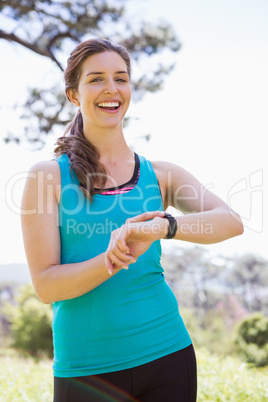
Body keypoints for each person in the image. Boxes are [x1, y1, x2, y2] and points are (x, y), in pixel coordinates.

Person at [21, 38, 244, 402]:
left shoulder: (161, 174)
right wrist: (115, 256)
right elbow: (47, 286)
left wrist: (164, 227)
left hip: (168, 354)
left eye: (121, 78)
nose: (111, 89)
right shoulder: (47, 177)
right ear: (74, 95)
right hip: (86, 371)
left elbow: (230, 221)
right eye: (96, 79)